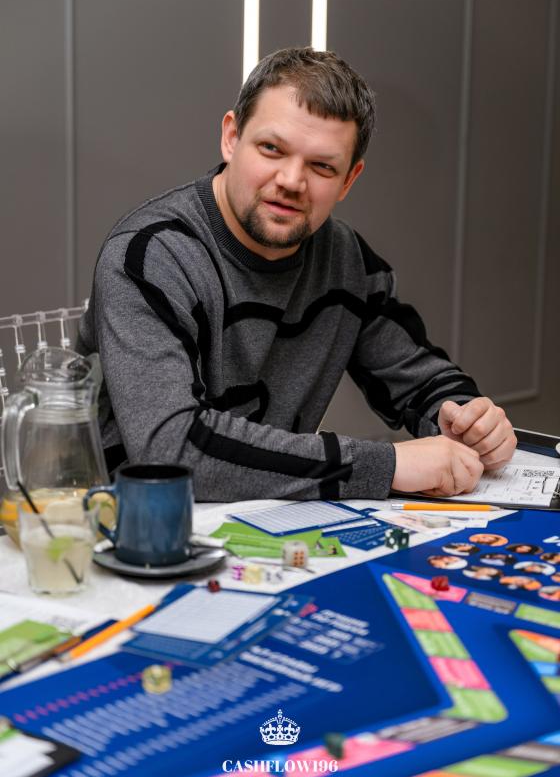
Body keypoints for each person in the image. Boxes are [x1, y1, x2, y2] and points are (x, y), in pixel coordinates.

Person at [77, 47, 516, 502]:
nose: (291, 180)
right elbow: (170, 451)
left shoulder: (345, 259)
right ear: (231, 137)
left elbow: (419, 379)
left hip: (268, 520)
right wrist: (385, 465)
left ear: (348, 180)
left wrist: (469, 420)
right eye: (272, 149)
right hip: (125, 524)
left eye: (322, 166)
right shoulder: (150, 255)